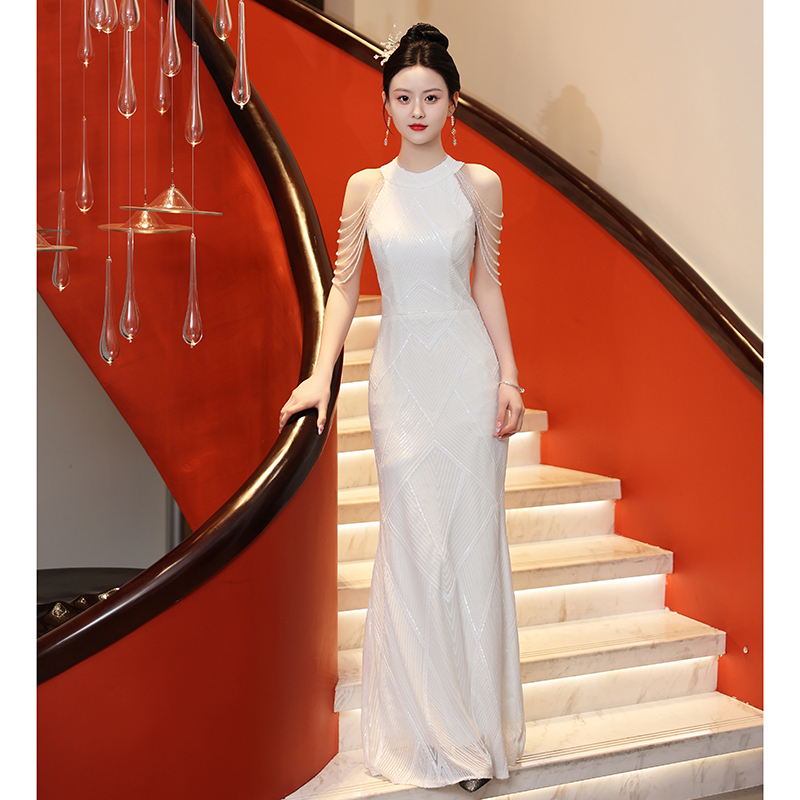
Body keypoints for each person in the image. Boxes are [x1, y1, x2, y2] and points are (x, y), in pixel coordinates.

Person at [279, 22, 526, 793]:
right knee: (415, 548)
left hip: (466, 377)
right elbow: (343, 288)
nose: (417, 110)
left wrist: (511, 378)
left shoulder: (479, 184)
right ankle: (427, 733)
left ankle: (474, 738)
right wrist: (319, 376)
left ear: (454, 104)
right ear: (385, 105)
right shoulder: (366, 188)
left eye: (431, 97)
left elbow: (487, 285)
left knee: (470, 548)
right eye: (403, 97)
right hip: (401, 383)